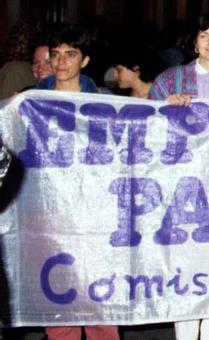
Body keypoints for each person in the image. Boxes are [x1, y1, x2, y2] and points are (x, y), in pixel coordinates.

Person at [38, 27, 117, 340]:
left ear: (85, 60)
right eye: (55, 54)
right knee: (57, 293)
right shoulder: (33, 99)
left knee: (98, 292)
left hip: (93, 210)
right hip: (48, 210)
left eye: (70, 54)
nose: (61, 61)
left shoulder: (105, 101)